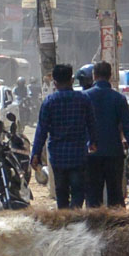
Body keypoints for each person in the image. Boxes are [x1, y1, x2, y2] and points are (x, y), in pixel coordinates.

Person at [29, 63, 92, 209]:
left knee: (61, 193)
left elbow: (41, 131)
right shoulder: (83, 100)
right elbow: (92, 124)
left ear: (55, 83)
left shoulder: (49, 102)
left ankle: (65, 221)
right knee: (78, 192)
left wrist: (36, 154)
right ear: (71, 80)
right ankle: (74, 218)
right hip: (78, 155)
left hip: (58, 156)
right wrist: (93, 142)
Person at [83, 61, 129, 208]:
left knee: (93, 196)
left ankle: (93, 228)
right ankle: (118, 228)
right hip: (114, 153)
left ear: (94, 76)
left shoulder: (84, 97)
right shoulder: (118, 99)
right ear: (110, 76)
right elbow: (128, 127)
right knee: (115, 196)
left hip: (90, 153)